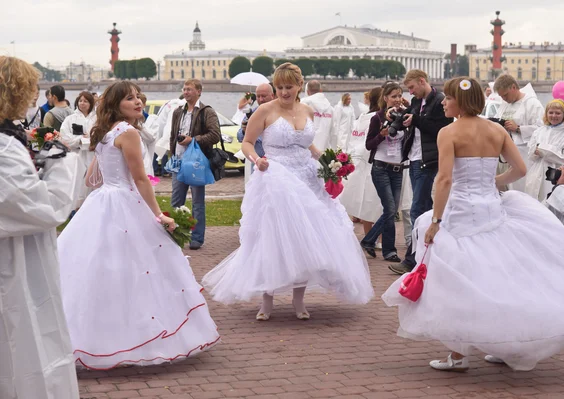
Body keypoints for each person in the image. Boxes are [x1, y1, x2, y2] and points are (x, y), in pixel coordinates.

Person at [382, 77, 564, 372]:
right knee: (500, 278)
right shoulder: (496, 129)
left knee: (456, 283)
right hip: (492, 212)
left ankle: (458, 355)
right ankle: (506, 345)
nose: (444, 102)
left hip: (460, 214)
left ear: (461, 102)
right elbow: (519, 169)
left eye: (448, 98)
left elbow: (445, 179)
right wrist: (491, 182)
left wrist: (435, 220)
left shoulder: (449, 132)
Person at [57, 81, 220, 370]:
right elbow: (141, 179)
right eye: (129, 99)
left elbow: (91, 181)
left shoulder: (106, 133)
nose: (137, 102)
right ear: (116, 104)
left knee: (103, 269)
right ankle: (139, 339)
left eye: (138, 97)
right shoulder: (127, 132)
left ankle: (93, 338)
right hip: (124, 200)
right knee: (134, 269)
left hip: (103, 201)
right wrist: (158, 215)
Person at [202, 63, 374, 321]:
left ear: (299, 86)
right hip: (275, 176)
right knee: (272, 237)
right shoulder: (264, 110)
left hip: (306, 177)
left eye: (288, 87)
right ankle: (267, 299)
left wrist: (329, 161)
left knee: (305, 239)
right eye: (279, 87)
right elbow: (247, 142)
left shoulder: (307, 110)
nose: (283, 92)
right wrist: (256, 159)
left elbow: (308, 145)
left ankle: (298, 300)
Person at [0, 56, 80, 399]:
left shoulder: (9, 139)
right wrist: (60, 161)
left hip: (21, 258)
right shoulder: (4, 148)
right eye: (30, 87)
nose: (35, 96)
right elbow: (43, 208)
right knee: (24, 346)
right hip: (15, 264)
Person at [397, 69, 453, 272]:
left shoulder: (439, 101)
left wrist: (416, 120)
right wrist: (397, 116)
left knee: (417, 208)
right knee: (427, 207)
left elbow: (441, 129)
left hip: (427, 159)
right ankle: (431, 254)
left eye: (411, 87)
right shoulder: (416, 102)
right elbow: (409, 117)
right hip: (414, 158)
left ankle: (412, 258)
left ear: (422, 81)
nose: (410, 92)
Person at [168, 79, 221, 250]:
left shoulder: (207, 111)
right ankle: (176, 234)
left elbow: (215, 135)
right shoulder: (178, 112)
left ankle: (197, 238)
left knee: (197, 202)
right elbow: (172, 135)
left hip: (196, 162)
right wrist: (171, 154)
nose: (186, 92)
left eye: (190, 89)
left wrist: (194, 140)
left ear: (199, 91)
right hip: (178, 160)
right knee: (176, 201)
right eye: (184, 89)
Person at [359, 83, 404, 263]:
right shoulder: (377, 117)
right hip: (381, 168)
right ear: (385, 98)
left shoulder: (404, 117)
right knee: (390, 209)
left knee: (391, 211)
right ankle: (389, 251)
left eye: (399, 95)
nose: (397, 99)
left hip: (398, 168)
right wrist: (381, 135)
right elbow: (369, 144)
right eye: (393, 96)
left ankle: (369, 241)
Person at [339, 87, 383, 247]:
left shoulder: (361, 118)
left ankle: (368, 236)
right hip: (373, 161)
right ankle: (377, 238)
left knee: (365, 200)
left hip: (358, 161)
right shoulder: (377, 118)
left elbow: (353, 139)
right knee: (377, 200)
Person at [492, 74, 544, 192]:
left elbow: (542, 128)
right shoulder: (504, 105)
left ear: (513, 87)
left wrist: (519, 128)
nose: (504, 98)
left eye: (505, 95)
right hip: (503, 154)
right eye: (501, 96)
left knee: (519, 188)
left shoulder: (532, 103)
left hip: (523, 152)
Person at [524, 99, 564, 201]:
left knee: (552, 203)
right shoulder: (539, 131)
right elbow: (531, 154)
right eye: (551, 112)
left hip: (557, 174)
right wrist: (539, 152)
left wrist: (543, 150)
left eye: (558, 113)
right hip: (536, 173)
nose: (554, 116)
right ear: (546, 114)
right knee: (534, 202)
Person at [60, 91, 98, 207]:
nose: (82, 103)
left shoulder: (98, 119)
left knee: (93, 182)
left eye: (85, 101)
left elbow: (101, 136)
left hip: (93, 156)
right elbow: (65, 137)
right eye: (80, 101)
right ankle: (76, 208)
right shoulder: (70, 119)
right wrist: (81, 140)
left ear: (91, 103)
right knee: (78, 182)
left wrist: (90, 140)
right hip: (77, 155)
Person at [237, 83, 275, 181]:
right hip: (257, 162)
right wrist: (244, 130)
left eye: (264, 96)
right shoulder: (252, 113)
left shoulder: (278, 113)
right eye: (258, 96)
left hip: (275, 162)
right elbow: (240, 137)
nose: (261, 99)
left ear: (272, 95)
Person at [301, 79, 334, 151]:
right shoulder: (330, 109)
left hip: (306, 150)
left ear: (308, 91)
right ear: (321, 90)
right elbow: (334, 133)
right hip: (324, 151)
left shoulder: (303, 104)